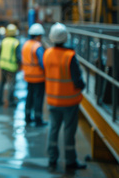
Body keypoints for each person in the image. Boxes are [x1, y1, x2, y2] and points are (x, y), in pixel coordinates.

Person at [44, 23, 86, 171]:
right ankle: (70, 162)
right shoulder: (69, 56)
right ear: (66, 37)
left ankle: (52, 161)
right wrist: (83, 86)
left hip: (52, 101)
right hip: (69, 102)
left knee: (53, 130)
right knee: (69, 132)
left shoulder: (47, 54)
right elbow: (78, 81)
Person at [22, 23, 47, 126]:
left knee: (29, 96)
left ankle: (27, 117)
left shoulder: (26, 44)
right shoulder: (38, 47)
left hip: (28, 76)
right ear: (38, 35)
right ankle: (38, 119)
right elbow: (42, 63)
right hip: (38, 77)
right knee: (38, 98)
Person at [0, 24, 21, 107]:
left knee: (2, 83)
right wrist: (19, 66)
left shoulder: (4, 41)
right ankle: (10, 102)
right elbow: (18, 57)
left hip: (3, 65)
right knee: (11, 84)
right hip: (11, 67)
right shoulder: (16, 43)